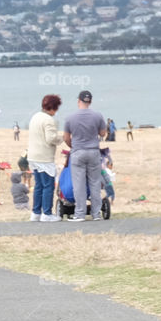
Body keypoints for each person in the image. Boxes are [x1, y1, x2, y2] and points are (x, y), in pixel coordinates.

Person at [63, 90, 106, 221]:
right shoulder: (97, 115)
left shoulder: (70, 118)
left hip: (78, 152)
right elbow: (103, 133)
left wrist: (73, 146)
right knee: (95, 182)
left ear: (78, 101)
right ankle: (96, 213)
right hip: (93, 151)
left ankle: (80, 213)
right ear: (90, 102)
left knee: (79, 184)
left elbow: (66, 138)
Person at [28, 95, 62, 222]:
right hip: (44, 157)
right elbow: (51, 138)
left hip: (33, 156)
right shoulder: (48, 120)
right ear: (53, 107)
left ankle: (36, 212)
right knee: (48, 185)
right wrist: (62, 138)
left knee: (39, 185)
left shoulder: (35, 116)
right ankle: (47, 213)